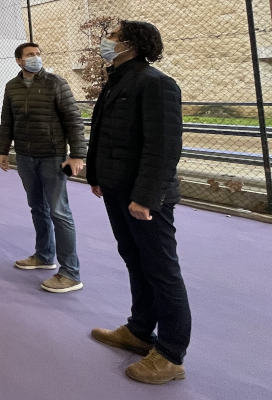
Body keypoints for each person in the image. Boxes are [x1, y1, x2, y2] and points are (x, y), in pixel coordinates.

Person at [85, 20, 189, 385]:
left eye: (112, 36)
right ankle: (140, 331)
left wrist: (145, 197)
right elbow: (102, 133)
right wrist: (96, 176)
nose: (106, 41)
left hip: (144, 199)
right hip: (117, 190)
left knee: (161, 270)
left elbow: (163, 148)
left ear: (129, 44)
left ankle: (171, 354)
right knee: (135, 260)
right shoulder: (117, 81)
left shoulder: (156, 84)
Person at [0, 42, 86, 293]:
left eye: (38, 54)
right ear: (19, 61)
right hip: (25, 157)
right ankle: (44, 256)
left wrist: (77, 154)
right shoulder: (11, 87)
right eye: (30, 55)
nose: (36, 58)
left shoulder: (56, 83)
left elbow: (74, 120)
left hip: (53, 157)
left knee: (59, 212)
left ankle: (70, 272)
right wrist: (3, 151)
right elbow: (7, 121)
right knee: (37, 208)